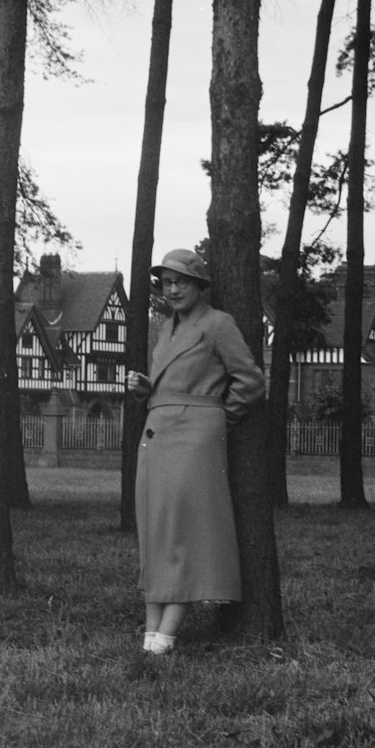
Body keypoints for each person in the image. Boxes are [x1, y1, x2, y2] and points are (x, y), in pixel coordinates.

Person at [126, 249, 266, 656]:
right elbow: (173, 381)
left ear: (200, 286)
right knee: (156, 532)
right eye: (166, 283)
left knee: (184, 535)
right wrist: (146, 390)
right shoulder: (165, 328)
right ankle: (151, 638)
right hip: (157, 435)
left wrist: (216, 418)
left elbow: (251, 381)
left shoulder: (218, 324)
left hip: (193, 440)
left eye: (181, 281)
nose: (172, 290)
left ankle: (164, 638)